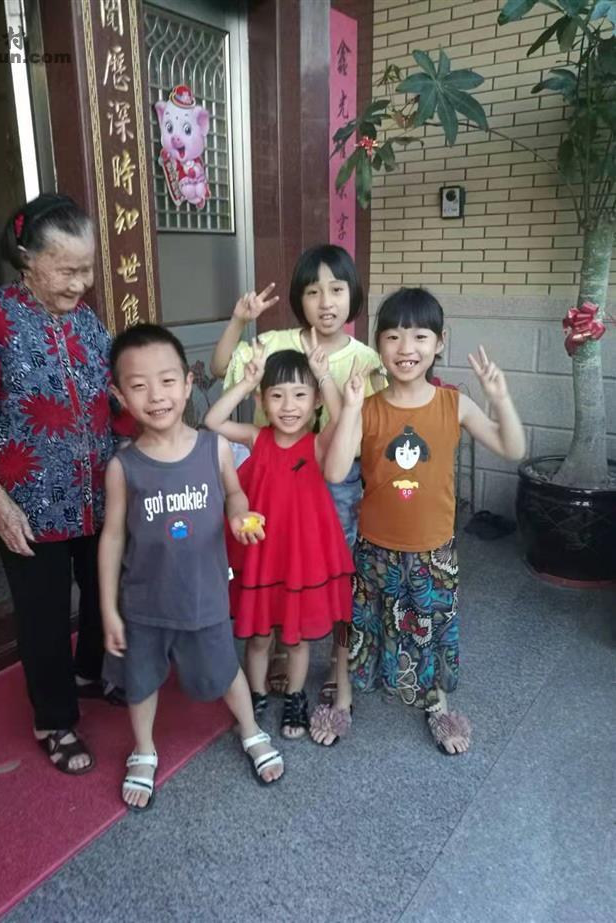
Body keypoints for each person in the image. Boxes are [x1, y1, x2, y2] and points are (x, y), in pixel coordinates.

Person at [0, 193, 130, 774]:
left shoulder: (86, 320)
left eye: (87, 269)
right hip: (29, 503)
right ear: (27, 259)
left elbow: (111, 397)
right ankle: (54, 718)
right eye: (68, 269)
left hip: (96, 493)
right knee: (43, 615)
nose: (82, 283)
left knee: (103, 591)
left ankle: (90, 672)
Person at [325, 287, 526, 755]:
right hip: (375, 547)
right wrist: (350, 408)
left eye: (419, 336)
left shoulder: (453, 405)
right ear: (379, 344)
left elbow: (512, 448)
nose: (406, 348)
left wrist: (500, 397)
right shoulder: (369, 408)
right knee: (360, 624)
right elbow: (334, 471)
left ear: (439, 342)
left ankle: (437, 705)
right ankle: (343, 699)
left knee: (432, 627)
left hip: (434, 549)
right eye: (393, 336)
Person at [99, 324, 284, 811]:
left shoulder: (213, 447)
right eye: (139, 386)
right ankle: (143, 749)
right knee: (140, 680)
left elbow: (234, 492)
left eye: (166, 381)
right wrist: (109, 609)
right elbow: (112, 537)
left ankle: (250, 729)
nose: (156, 396)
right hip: (144, 603)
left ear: (187, 384)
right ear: (120, 396)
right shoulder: (123, 468)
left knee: (224, 669)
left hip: (204, 595)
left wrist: (239, 515)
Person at [210, 243, 385, 702]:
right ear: (298, 298)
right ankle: (280, 655)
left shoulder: (366, 359)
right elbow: (220, 368)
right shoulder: (274, 343)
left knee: (334, 575)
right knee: (279, 566)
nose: (326, 302)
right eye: (313, 291)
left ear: (353, 294)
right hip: (273, 473)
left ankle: (339, 668)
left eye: (336, 289)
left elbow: (365, 428)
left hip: (337, 479)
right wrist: (239, 322)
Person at [204, 334, 354, 746]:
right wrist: (245, 382)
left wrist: (325, 376)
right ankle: (254, 697)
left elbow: (341, 421)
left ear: (316, 402)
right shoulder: (258, 437)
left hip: (301, 557)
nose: (289, 406)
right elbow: (213, 421)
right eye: (277, 395)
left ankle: (294, 698)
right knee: (259, 637)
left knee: (298, 638)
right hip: (262, 554)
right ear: (263, 401)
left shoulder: (318, 444)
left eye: (300, 395)